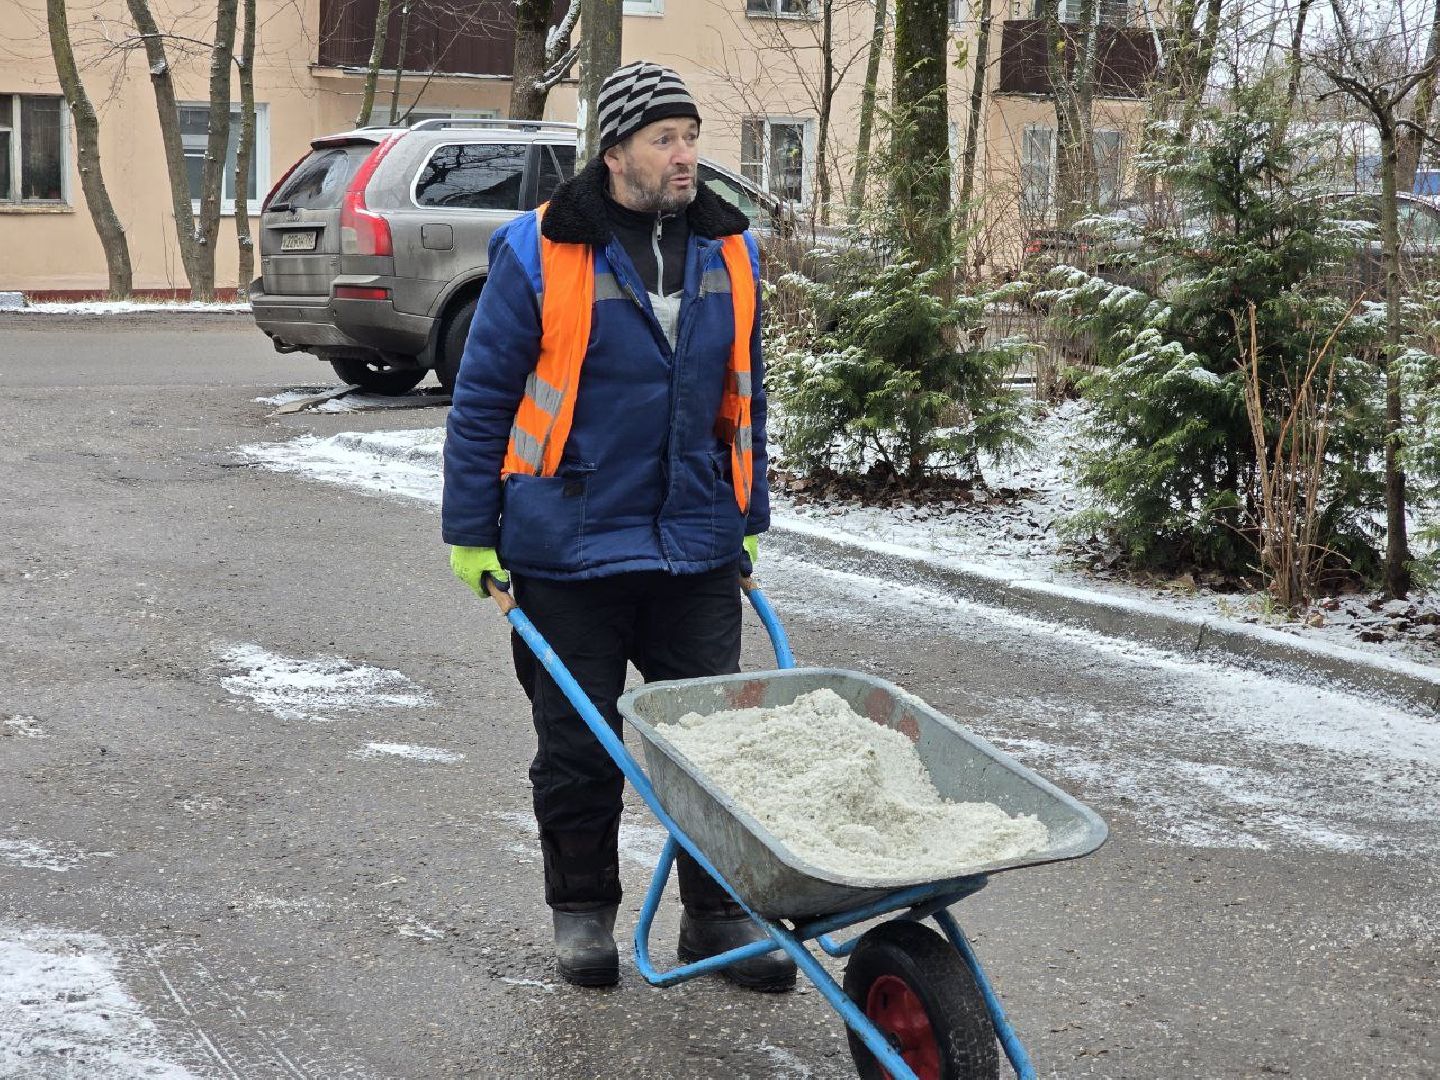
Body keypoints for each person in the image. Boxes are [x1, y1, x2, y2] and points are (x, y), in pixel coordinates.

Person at [441, 61, 794, 992]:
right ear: (616, 153)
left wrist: (747, 518)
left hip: (695, 543)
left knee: (709, 745)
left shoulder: (731, 249)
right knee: (579, 743)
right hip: (569, 544)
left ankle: (716, 921)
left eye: (692, 137)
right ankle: (584, 916)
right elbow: (482, 399)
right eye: (665, 140)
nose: (687, 158)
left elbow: (746, 397)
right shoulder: (539, 250)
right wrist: (472, 532)